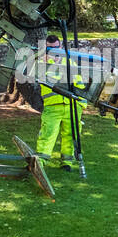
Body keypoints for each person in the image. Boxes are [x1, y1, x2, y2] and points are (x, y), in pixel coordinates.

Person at [35, 33, 83, 170]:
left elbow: (80, 84)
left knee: (71, 135)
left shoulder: (69, 62)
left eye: (56, 48)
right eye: (50, 49)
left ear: (61, 47)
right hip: (52, 106)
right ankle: (41, 161)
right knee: (47, 134)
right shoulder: (41, 64)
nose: (54, 52)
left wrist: (81, 104)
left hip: (72, 106)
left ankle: (67, 163)